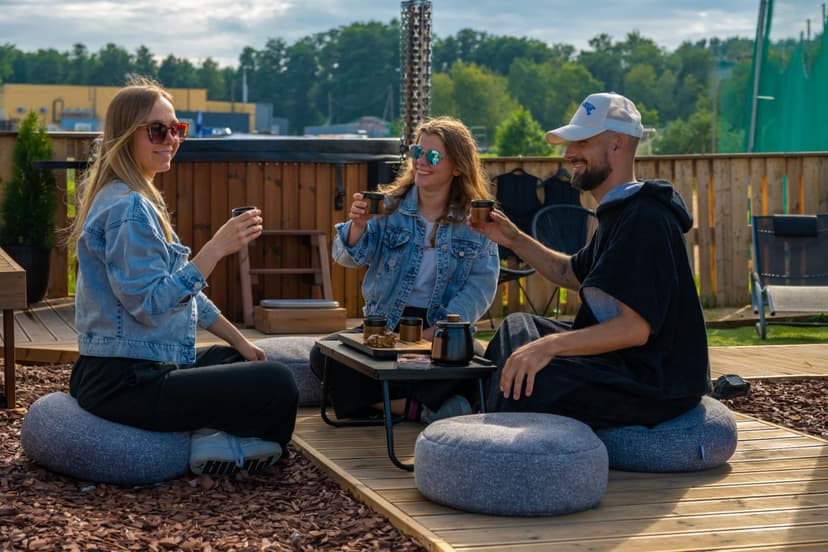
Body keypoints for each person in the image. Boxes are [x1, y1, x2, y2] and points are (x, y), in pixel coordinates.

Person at [65, 77, 298, 475]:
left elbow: (188, 295)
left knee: (236, 360)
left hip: (128, 371)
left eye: (177, 129)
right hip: (125, 383)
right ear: (126, 136)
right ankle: (216, 442)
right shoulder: (129, 209)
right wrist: (215, 250)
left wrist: (242, 342)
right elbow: (152, 306)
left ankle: (214, 434)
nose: (170, 138)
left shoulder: (134, 198)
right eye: (158, 129)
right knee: (278, 384)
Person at [471, 92, 710, 429]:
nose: (569, 153)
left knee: (534, 377)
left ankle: (482, 433)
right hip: (619, 363)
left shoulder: (646, 218)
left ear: (618, 143)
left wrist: (549, 347)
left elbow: (634, 329)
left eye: (581, 142)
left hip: (655, 384)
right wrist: (512, 237)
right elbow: (570, 272)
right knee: (517, 328)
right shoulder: (620, 210)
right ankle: (476, 411)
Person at [309, 116, 500, 423]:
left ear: (458, 166)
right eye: (417, 152)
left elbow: (480, 287)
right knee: (324, 356)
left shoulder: (475, 220)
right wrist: (358, 226)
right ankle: (418, 409)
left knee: (477, 360)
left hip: (441, 329)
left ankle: (391, 399)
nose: (421, 162)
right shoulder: (388, 208)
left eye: (433, 156)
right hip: (385, 328)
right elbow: (348, 257)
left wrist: (437, 333)